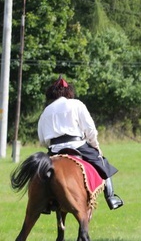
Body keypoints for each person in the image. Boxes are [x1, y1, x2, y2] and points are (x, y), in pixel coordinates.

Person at [37, 76, 123, 210]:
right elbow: (90, 129)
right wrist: (96, 146)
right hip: (77, 145)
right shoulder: (76, 104)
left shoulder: (46, 111)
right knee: (102, 163)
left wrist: (52, 147)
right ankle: (111, 197)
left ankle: (45, 204)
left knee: (42, 173)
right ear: (68, 92)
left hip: (54, 149)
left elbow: (42, 139)